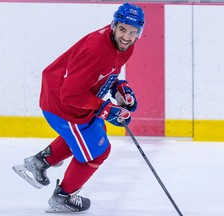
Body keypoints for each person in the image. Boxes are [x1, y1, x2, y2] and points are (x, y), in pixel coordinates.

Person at [13, 2, 145, 213]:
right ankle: (62, 197)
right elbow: (70, 94)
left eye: (133, 32)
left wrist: (119, 87)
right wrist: (106, 109)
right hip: (63, 105)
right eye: (122, 29)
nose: (126, 37)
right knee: (98, 152)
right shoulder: (96, 50)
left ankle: (40, 161)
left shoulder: (124, 46)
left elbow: (104, 72)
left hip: (78, 100)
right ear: (113, 25)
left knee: (92, 133)